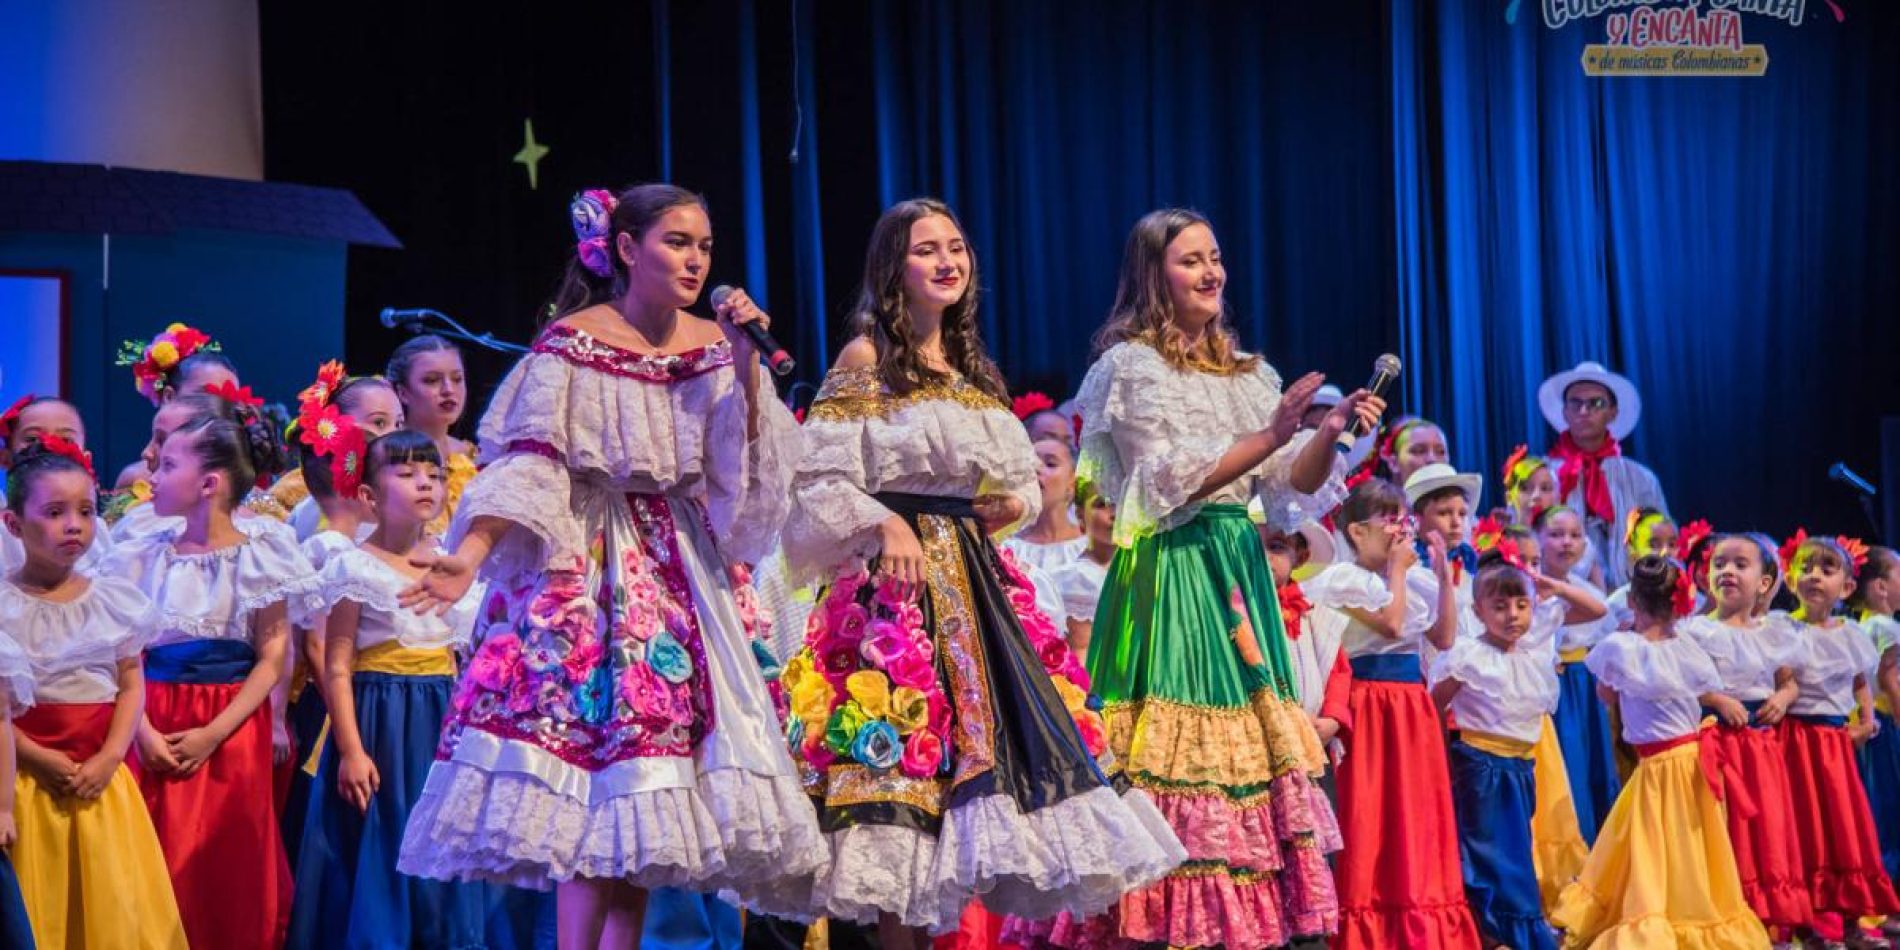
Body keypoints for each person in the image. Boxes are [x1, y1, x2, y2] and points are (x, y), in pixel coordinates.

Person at [394, 184, 822, 948]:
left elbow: (742, 469)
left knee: (641, 817)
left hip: (683, 571)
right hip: (591, 567)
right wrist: (469, 555)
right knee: (594, 797)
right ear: (627, 249)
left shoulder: (714, 344)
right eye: (677, 242)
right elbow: (529, 461)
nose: (696, 260)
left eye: (705, 247)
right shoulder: (573, 343)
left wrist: (748, 364)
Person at [781, 198, 1183, 949]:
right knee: (896, 792)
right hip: (894, 601)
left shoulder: (974, 372)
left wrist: (1010, 500)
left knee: (959, 811)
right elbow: (818, 481)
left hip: (974, 595)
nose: (947, 262)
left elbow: (1021, 484)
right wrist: (887, 521)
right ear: (892, 267)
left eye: (956, 248)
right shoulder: (867, 360)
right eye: (927, 249)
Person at [1063, 208, 1387, 949]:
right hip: (1173, 570)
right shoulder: (1131, 367)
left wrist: (1323, 438)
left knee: (1247, 764)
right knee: (1173, 756)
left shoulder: (1249, 375)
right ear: (1154, 275)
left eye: (1214, 258)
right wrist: (1273, 434)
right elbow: (1167, 484)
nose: (1211, 272)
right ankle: (1157, 923)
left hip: (1237, 575)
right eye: (1189, 261)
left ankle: (1238, 929)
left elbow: (1282, 489)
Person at [288, 430, 518, 947]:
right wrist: (349, 749)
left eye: (434, 475)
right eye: (408, 473)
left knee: (443, 849)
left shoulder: (453, 565)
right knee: (383, 847)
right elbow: (339, 665)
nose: (426, 484)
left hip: (441, 720)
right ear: (368, 495)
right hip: (381, 722)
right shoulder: (354, 565)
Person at [108, 404, 316, 948]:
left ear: (208, 483)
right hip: (153, 719)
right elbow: (122, 655)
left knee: (224, 861)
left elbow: (271, 656)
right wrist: (143, 733)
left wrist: (215, 733)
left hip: (228, 727)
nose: (153, 474)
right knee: (155, 857)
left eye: (168, 464)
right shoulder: (144, 553)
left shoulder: (261, 552)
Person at [2, 437, 187, 949]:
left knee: (112, 901)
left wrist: (111, 755)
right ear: (14, 524)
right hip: (26, 780)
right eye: (55, 512)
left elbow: (130, 683)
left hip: (100, 777)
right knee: (37, 901)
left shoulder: (113, 600)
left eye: (85, 511)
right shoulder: (4, 605)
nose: (74, 525)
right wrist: (35, 757)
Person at [1550, 556, 1769, 947]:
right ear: (1680, 602)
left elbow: (1606, 694)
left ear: (1632, 601)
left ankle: (1654, 917)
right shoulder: (1687, 646)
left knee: (1651, 845)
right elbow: (1696, 688)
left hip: (1659, 767)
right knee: (1687, 848)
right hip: (1690, 766)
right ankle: (1688, 912)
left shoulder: (1620, 648)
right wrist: (1718, 701)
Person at [1305, 479, 1476, 948]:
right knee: (1371, 813)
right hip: (1370, 705)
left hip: (1412, 708)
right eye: (1389, 518)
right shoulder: (1344, 580)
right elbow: (1393, 623)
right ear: (1357, 531)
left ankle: (1418, 920)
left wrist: (1441, 576)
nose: (1401, 529)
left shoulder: (1412, 579)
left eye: (1403, 518)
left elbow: (1441, 638)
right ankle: (1368, 925)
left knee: (1417, 815)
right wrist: (1399, 571)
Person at [1431, 546, 1567, 950]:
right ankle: (1500, 932)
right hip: (1480, 765)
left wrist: (1550, 584)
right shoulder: (1471, 655)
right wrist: (1441, 750)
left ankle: (1506, 929)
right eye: (1500, 606)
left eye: (1522, 605)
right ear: (1478, 612)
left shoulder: (1532, 656)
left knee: (1517, 848)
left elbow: (1591, 609)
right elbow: (1436, 700)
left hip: (1520, 768)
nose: (1513, 615)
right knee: (1490, 852)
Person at [1679, 533, 1811, 936]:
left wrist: (1784, 698)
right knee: (1725, 827)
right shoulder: (1697, 630)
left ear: (1765, 584)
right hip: (1718, 742)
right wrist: (1717, 699)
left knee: (1767, 826)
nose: (1728, 571)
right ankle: (1729, 913)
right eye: (1720, 564)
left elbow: (1787, 681)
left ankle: (1771, 920)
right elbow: (1685, 681)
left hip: (1760, 744)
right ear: (1706, 577)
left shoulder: (1774, 632)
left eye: (1740, 564)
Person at [1778, 533, 1900, 943]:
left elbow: (1860, 681)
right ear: (1790, 578)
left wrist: (1866, 719)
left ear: (1847, 587)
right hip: (1795, 741)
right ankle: (1807, 923)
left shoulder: (1850, 633)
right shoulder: (1783, 629)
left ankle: (1850, 923)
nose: (1814, 576)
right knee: (1804, 828)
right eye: (1806, 568)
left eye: (1827, 569)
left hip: (1836, 740)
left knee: (1844, 827)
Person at [1537, 361, 1669, 589]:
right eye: (1575, 403)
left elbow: (1662, 540)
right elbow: (1526, 536)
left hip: (1631, 595)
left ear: (1612, 413)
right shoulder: (1542, 475)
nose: (1584, 411)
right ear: (1565, 412)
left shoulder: (1640, 478)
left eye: (1595, 403)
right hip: (1560, 597)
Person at [385, 335, 479, 538]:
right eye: (431, 380)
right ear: (402, 393)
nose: (448, 390)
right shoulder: (386, 456)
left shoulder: (470, 456)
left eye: (457, 379)